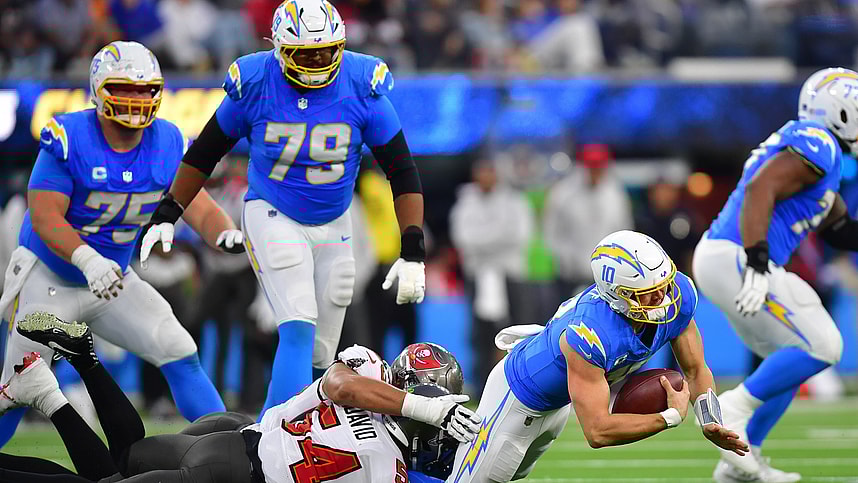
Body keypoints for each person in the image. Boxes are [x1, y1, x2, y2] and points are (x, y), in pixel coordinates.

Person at [139, 0, 427, 414]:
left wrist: (413, 250)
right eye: (305, 53)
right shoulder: (255, 82)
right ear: (279, 49)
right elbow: (204, 153)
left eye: (326, 51)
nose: (316, 62)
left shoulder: (363, 83)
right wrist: (169, 210)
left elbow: (401, 169)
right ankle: (267, 444)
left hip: (334, 220)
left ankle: (302, 437)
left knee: (322, 352)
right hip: (272, 212)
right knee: (297, 326)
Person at [0, 41, 240, 446]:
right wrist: (87, 258)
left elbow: (197, 205)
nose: (136, 99)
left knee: (178, 349)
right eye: (124, 89)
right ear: (99, 89)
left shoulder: (166, 141)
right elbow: (43, 216)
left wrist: (226, 235)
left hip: (113, 279)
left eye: (145, 90)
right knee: (20, 385)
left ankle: (235, 449)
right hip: (51, 278)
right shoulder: (70, 135)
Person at [0, 311, 482, 482]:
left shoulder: (370, 370)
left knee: (124, 456)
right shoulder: (387, 456)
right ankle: (48, 397)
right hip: (238, 466)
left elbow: (340, 386)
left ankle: (69, 374)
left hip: (238, 434)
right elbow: (339, 385)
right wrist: (423, 409)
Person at [449, 230, 748, 483]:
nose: (663, 298)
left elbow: (695, 370)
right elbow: (597, 431)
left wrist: (709, 419)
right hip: (517, 395)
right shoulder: (590, 333)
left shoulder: (677, 295)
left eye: (664, 285)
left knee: (513, 475)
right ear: (618, 295)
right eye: (649, 293)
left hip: (559, 400)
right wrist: (668, 417)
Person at [693, 67, 858, 483]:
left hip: (727, 257)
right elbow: (760, 188)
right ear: (839, 112)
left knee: (788, 358)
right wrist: (758, 258)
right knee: (824, 344)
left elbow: (842, 229)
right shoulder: (818, 141)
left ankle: (741, 463)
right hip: (739, 257)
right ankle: (733, 409)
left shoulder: (824, 163)